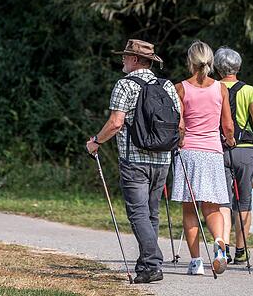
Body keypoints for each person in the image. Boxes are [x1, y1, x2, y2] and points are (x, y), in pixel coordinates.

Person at [85, 39, 180, 284]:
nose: (122, 60)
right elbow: (179, 124)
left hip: (134, 159)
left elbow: (116, 122)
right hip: (162, 159)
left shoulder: (124, 85)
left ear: (135, 60)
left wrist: (96, 140)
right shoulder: (167, 85)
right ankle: (147, 263)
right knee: (151, 213)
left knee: (138, 213)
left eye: (126, 57)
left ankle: (152, 262)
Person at [172, 41, 235, 276]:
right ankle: (219, 244)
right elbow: (227, 125)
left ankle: (196, 262)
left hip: (189, 151)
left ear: (190, 61)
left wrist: (179, 141)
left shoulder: (181, 88)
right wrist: (229, 140)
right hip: (212, 152)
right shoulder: (220, 89)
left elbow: (180, 125)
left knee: (190, 209)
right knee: (213, 207)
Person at [214, 46, 253, 264]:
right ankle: (242, 250)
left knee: (223, 201)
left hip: (218, 149)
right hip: (245, 150)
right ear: (238, 67)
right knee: (244, 201)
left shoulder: (212, 88)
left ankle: (224, 248)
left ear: (217, 67)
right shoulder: (248, 90)